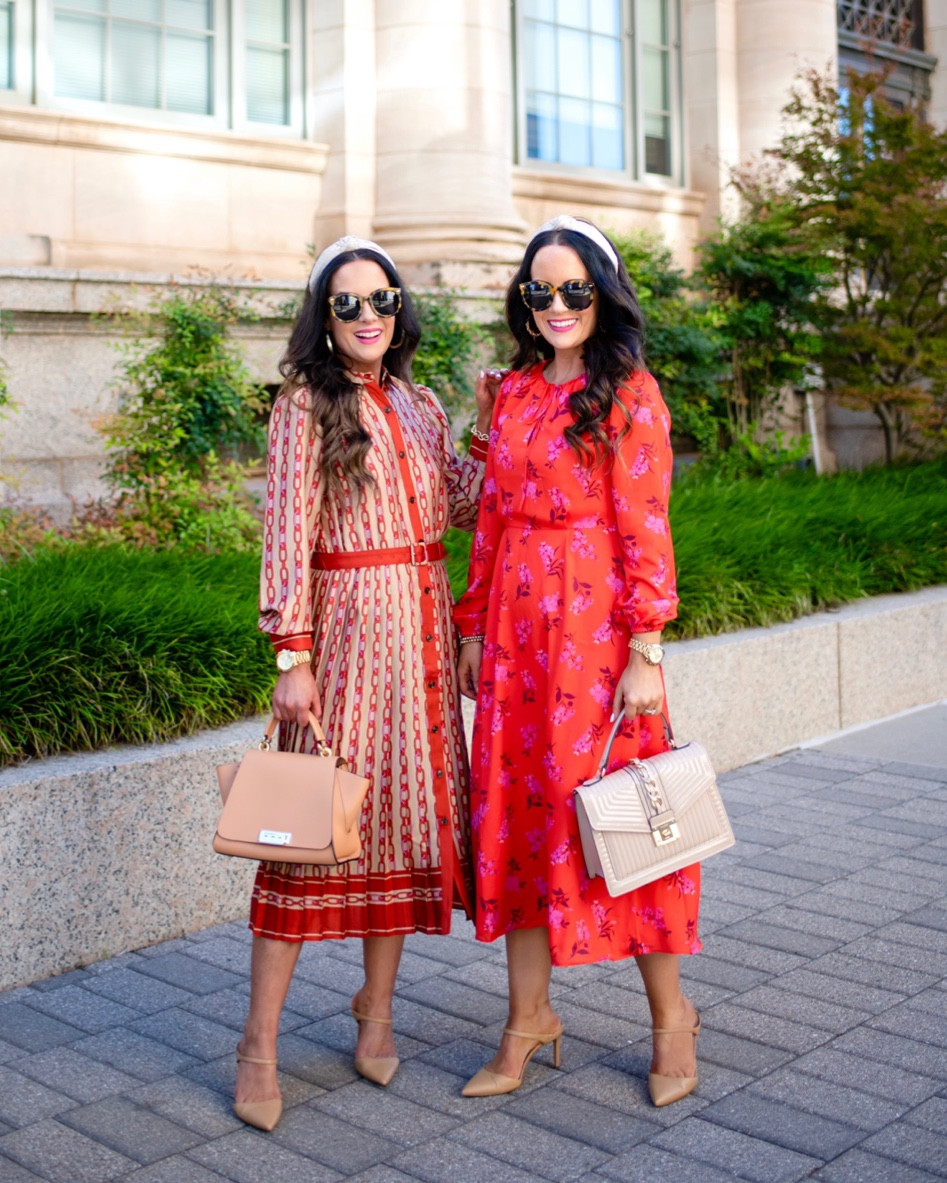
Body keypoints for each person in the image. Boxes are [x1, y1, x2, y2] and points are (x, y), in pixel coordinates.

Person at [234, 236, 499, 1132]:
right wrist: (291, 654)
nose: (367, 317)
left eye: (380, 300)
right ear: (323, 316)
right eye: (347, 304)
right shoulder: (304, 405)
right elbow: (283, 532)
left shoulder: (419, 401)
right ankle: (258, 1046)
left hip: (421, 636)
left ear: (399, 309)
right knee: (306, 831)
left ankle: (374, 1013)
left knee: (401, 822)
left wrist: (491, 429)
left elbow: (464, 502)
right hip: (344, 637)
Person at [454, 215, 701, 1108]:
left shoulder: (628, 390)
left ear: (602, 293)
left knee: (630, 820)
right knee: (518, 824)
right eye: (539, 291)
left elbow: (647, 522)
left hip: (596, 633)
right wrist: (474, 625)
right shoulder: (513, 392)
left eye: (573, 290)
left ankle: (672, 1019)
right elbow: (488, 517)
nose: (556, 305)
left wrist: (646, 645)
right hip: (519, 633)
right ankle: (527, 1021)